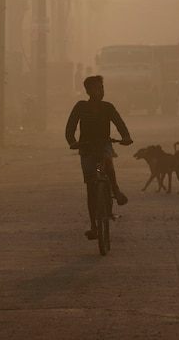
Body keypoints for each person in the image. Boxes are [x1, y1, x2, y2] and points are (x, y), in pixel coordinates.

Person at [65, 74, 133, 240]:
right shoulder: (80, 107)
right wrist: (72, 141)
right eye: (97, 88)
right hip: (86, 147)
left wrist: (125, 137)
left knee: (108, 161)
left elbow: (120, 125)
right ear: (88, 91)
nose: (101, 91)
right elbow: (70, 128)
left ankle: (115, 189)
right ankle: (94, 227)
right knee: (91, 187)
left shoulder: (108, 107)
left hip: (104, 144)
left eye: (102, 88)